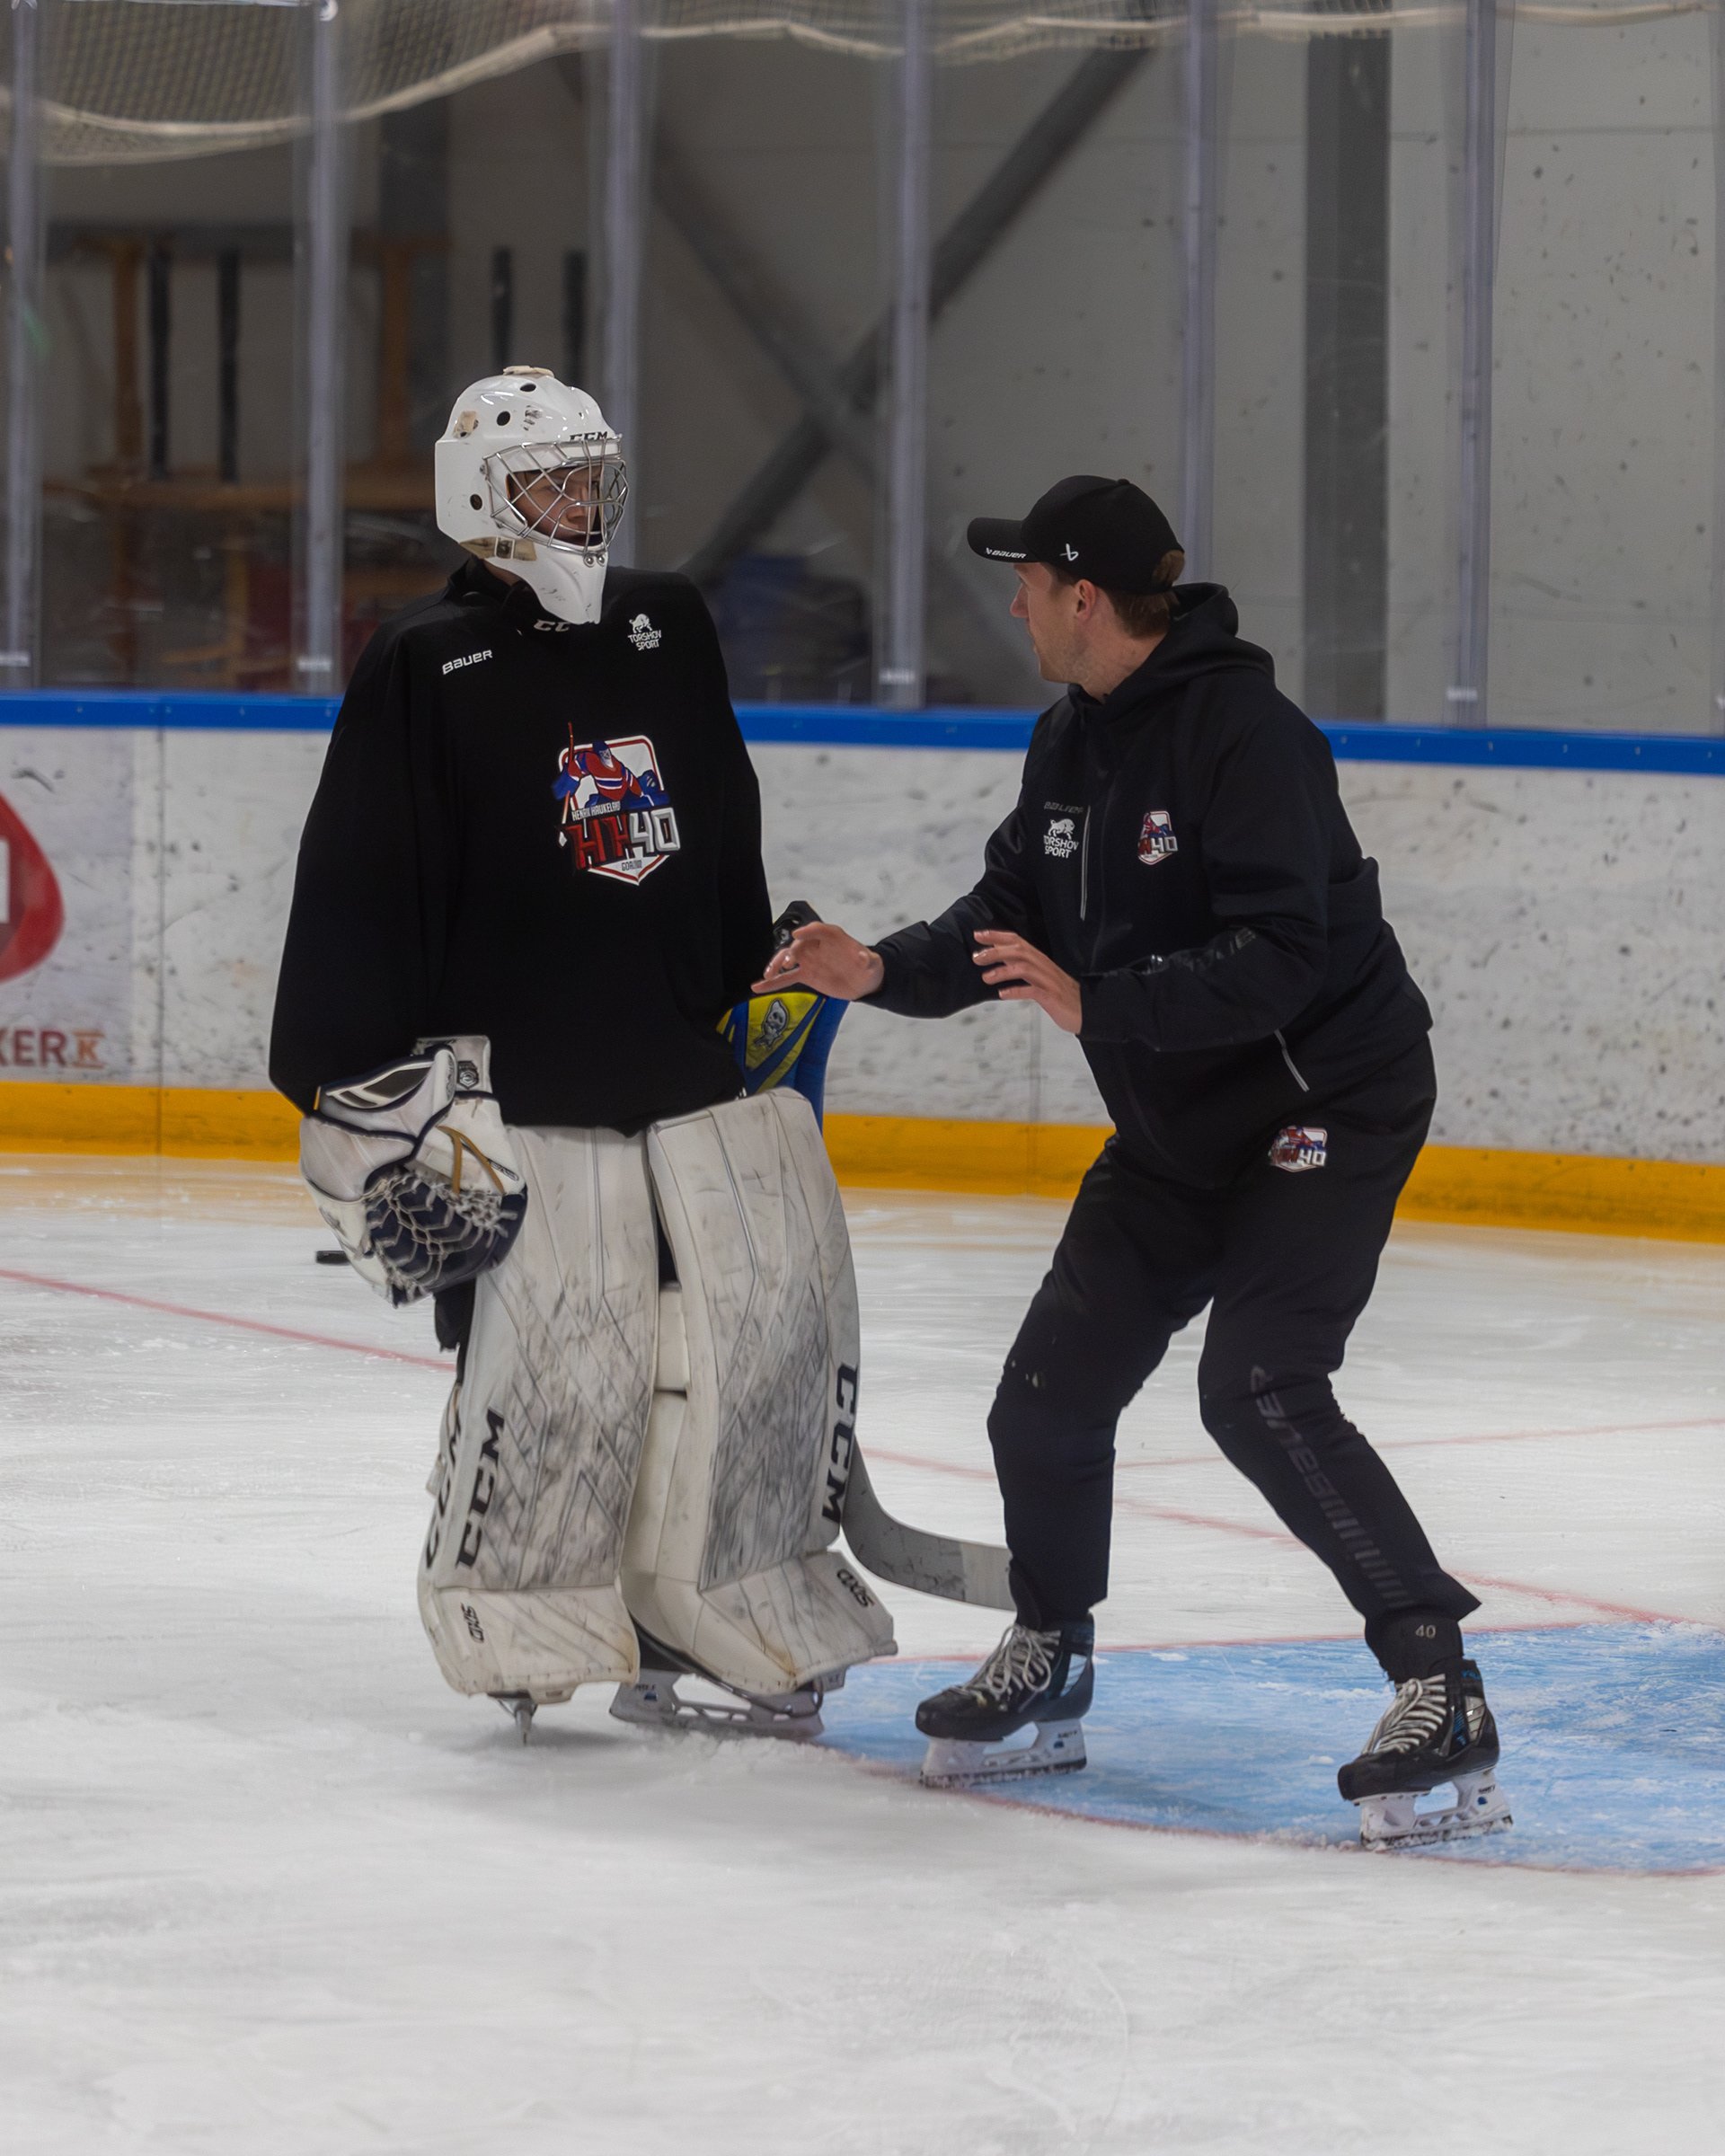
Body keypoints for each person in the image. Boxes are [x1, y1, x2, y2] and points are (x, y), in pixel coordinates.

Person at [755, 473, 1509, 1847]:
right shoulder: (1071, 740)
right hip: (1178, 1128)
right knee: (1044, 1401)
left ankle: (1438, 1683)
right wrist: (877, 970)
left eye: (1028, 587)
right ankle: (1053, 1651)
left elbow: (1286, 958)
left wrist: (1101, 1003)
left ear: (1086, 599)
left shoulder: (1252, 740)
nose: (1016, 609)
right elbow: (1004, 918)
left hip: (1324, 1105)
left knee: (1261, 1387)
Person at [270, 368, 893, 1740]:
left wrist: (747, 971)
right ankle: (529, 1613)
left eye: (593, 480)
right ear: (482, 499)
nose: (583, 508)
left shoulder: (666, 622)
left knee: (713, 1358)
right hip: (524, 1093)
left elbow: (718, 811)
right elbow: (365, 882)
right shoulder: (427, 662)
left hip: (673, 1076)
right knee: (555, 1372)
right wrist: (360, 1086)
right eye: (553, 485)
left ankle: (692, 1608)